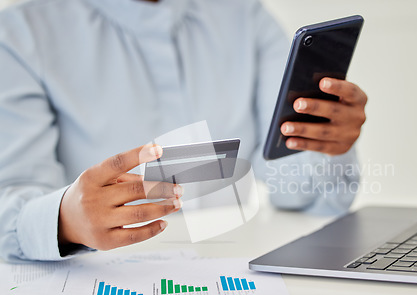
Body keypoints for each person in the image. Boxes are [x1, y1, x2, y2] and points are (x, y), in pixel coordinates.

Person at [0, 0, 367, 262]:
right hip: (100, 276)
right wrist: (63, 220)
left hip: (245, 261)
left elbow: (296, 190)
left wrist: (326, 144)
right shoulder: (21, 34)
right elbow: (12, 197)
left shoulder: (245, 15)